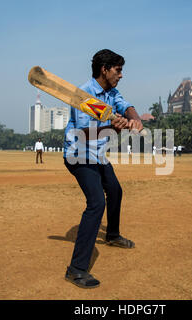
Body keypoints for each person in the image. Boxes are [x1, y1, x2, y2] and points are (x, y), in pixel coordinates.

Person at [63, 49, 143, 289]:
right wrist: (113, 127)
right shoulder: (84, 95)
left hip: (97, 155)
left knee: (115, 191)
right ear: (104, 69)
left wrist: (134, 119)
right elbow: (83, 134)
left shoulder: (111, 93)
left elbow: (127, 106)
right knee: (97, 203)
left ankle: (112, 235)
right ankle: (76, 269)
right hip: (79, 154)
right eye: (118, 70)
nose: (121, 75)